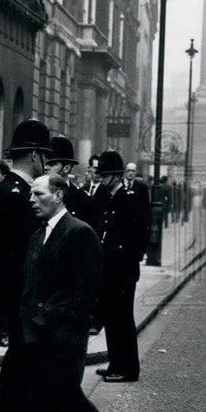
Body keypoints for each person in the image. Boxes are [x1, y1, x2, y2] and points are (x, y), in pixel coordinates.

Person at [21, 174, 120, 412]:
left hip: (64, 333)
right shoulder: (39, 234)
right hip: (36, 331)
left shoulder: (79, 232)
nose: (31, 200)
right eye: (31, 195)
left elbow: (86, 289)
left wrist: (67, 329)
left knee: (64, 393)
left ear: (59, 195)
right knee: (41, 397)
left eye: (38, 194)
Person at [0, 118, 50, 412]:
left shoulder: (10, 188)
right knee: (27, 361)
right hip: (19, 290)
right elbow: (26, 248)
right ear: (36, 156)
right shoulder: (15, 192)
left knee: (17, 360)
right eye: (46, 157)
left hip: (12, 289)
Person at [92, 150, 150, 384]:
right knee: (111, 318)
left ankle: (129, 369)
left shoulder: (130, 198)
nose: (101, 179)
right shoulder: (104, 196)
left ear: (116, 176)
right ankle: (115, 364)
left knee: (123, 320)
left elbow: (141, 234)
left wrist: (131, 260)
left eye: (105, 175)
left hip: (123, 271)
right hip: (108, 270)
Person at [44, 136, 97, 228]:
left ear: (67, 168)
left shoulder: (83, 200)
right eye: (45, 163)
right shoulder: (35, 195)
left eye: (52, 164)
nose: (45, 168)